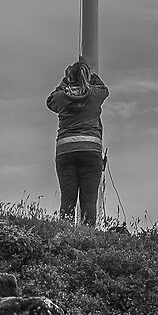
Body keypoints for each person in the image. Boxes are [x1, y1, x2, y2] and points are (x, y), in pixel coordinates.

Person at [46, 58, 108, 225]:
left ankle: (65, 233)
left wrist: (65, 82)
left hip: (66, 150)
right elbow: (104, 89)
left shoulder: (61, 97)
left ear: (69, 77)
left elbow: (50, 101)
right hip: (90, 149)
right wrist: (90, 75)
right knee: (88, 200)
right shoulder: (95, 95)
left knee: (68, 198)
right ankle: (87, 236)